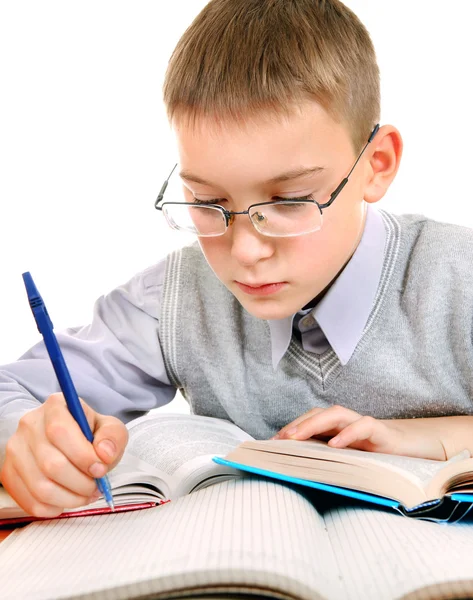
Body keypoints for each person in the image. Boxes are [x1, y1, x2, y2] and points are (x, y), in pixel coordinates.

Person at [1, 0, 473, 519]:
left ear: (376, 165)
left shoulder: (458, 279)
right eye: (207, 204)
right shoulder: (175, 301)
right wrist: (26, 445)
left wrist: (424, 437)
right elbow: (11, 391)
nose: (246, 252)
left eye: (290, 201)